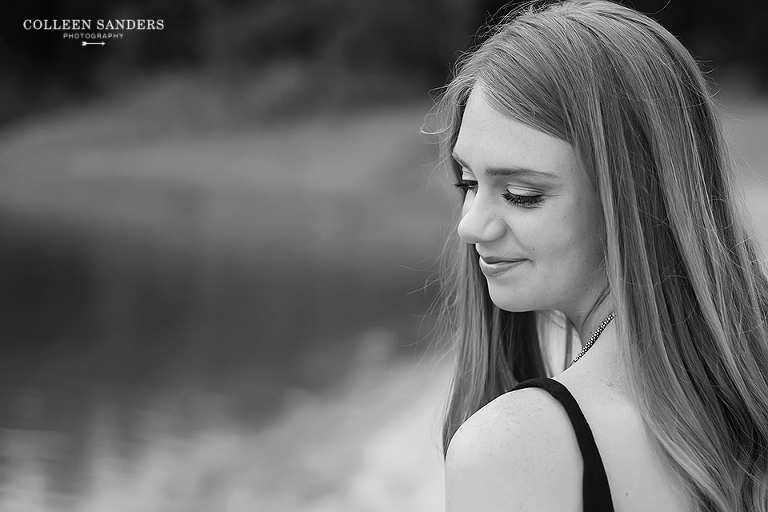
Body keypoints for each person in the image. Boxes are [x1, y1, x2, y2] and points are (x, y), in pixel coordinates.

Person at [431, 1, 768, 511]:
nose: (470, 224)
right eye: (468, 183)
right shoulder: (747, 392)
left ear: (635, 195)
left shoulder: (515, 447)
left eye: (522, 194)